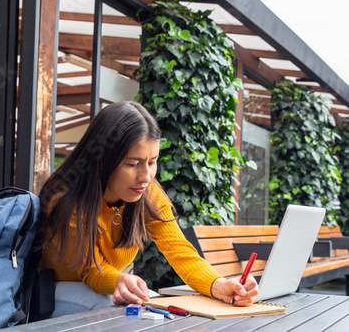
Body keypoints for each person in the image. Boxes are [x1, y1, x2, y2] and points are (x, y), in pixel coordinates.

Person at [37, 101, 258, 317]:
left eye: (152, 162)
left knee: (160, 311)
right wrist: (119, 280)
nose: (146, 177)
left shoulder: (147, 194)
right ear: (102, 160)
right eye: (133, 164)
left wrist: (218, 286)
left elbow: (180, 252)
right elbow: (91, 271)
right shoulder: (65, 199)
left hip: (100, 291)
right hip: (48, 292)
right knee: (126, 312)